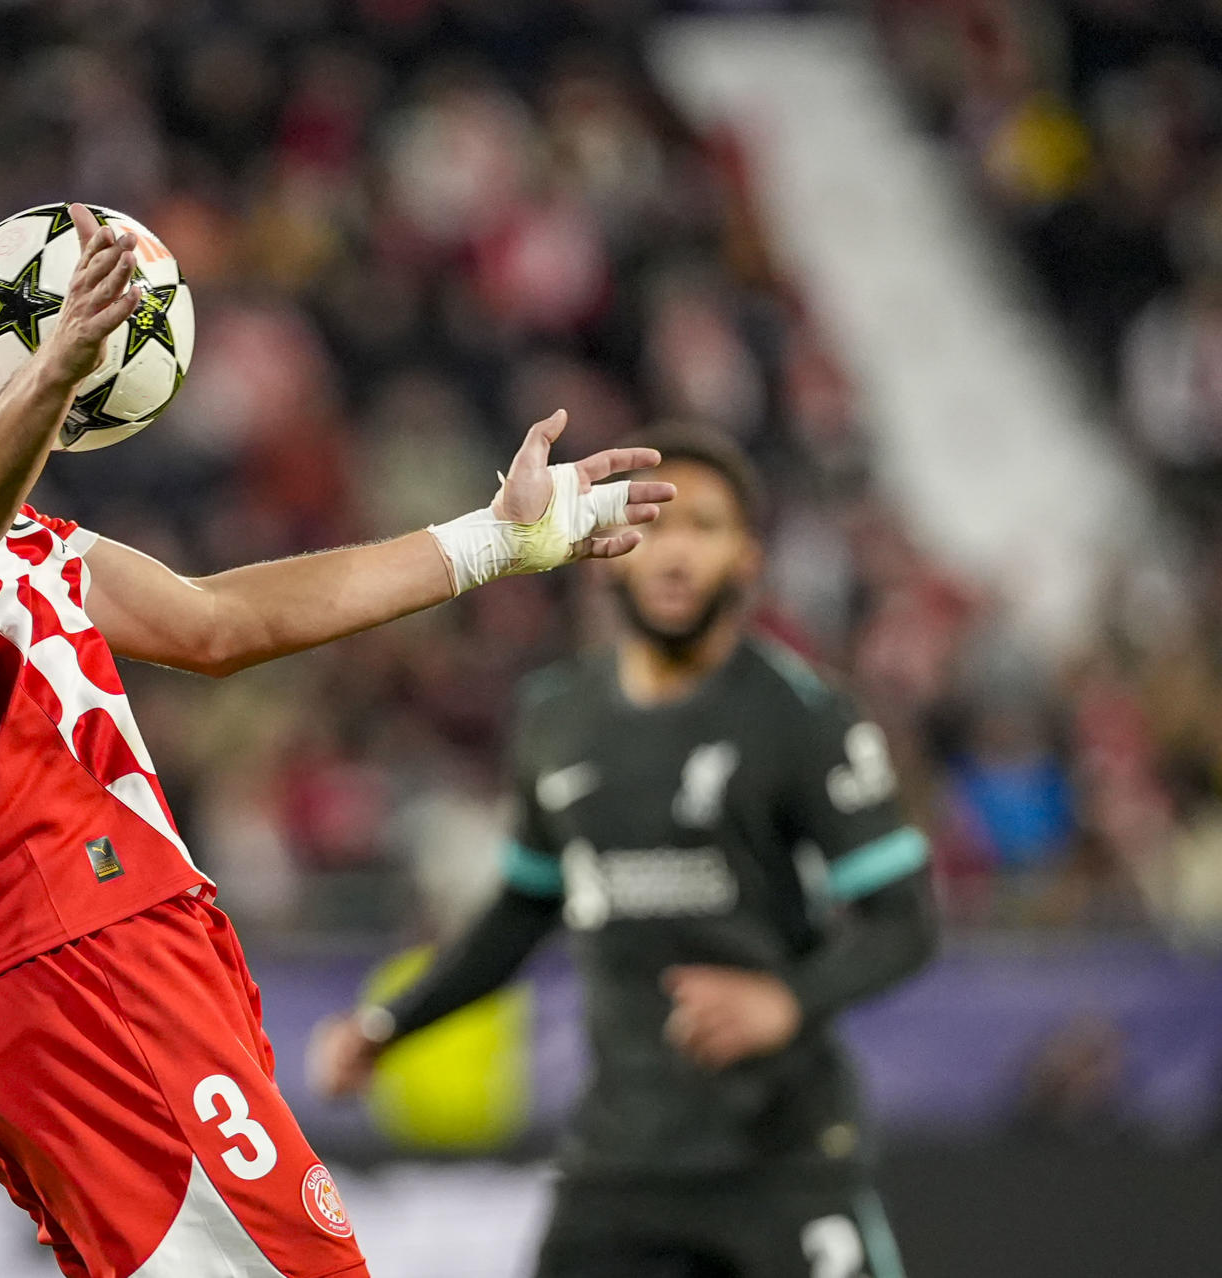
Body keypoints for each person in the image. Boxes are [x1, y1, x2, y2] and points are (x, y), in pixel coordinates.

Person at [0, 122, 673, 1278]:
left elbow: (210, 623)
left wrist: (499, 540)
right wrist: (56, 364)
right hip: (69, 937)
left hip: (81, 941)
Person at [309, 427, 937, 1278]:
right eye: (657, 522)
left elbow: (906, 924)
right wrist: (391, 1026)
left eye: (705, 527)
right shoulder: (557, 716)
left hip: (782, 1157)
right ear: (609, 550)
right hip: (620, 1163)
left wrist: (785, 1000)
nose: (675, 553)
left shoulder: (804, 717)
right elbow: (526, 908)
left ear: (748, 557)